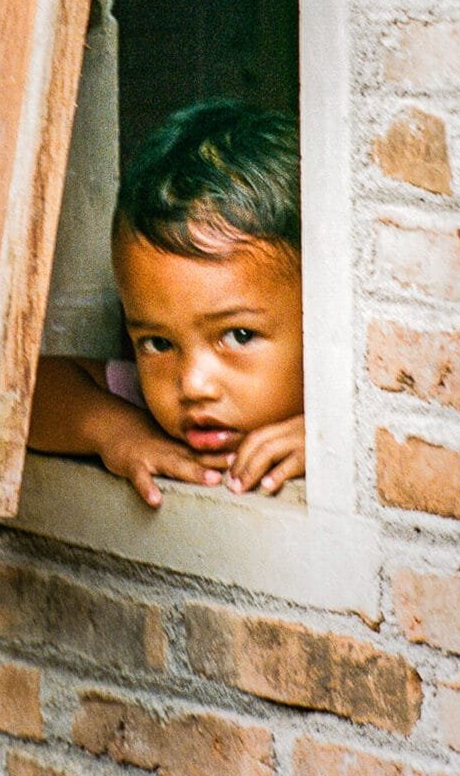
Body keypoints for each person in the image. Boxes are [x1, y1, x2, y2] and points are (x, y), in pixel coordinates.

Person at [27, 98, 304, 507]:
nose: (193, 385)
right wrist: (116, 432)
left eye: (239, 335)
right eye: (158, 343)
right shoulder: (142, 401)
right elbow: (26, 392)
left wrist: (330, 438)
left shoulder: (351, 420)